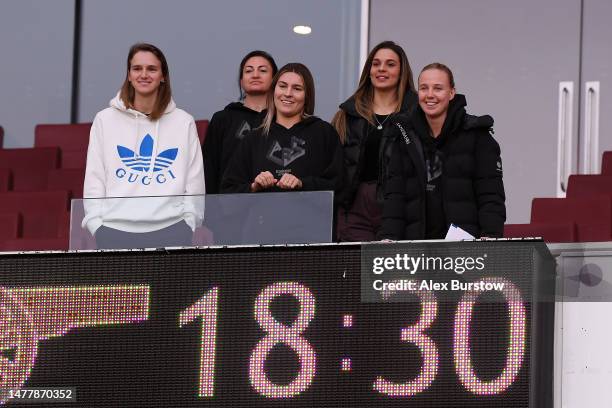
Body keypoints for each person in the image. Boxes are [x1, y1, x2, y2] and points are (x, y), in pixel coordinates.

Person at [82, 43, 205, 249]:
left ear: (163, 76)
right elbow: (95, 177)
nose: (144, 74)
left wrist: (189, 222)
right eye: (137, 68)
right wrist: (97, 224)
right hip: (114, 230)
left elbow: (194, 181)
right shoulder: (104, 119)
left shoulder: (184, 122)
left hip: (172, 229)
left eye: (152, 69)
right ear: (129, 75)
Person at [379, 63, 506, 240]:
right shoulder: (403, 135)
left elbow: (491, 196)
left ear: (451, 93)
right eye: (424, 88)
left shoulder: (478, 136)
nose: (430, 95)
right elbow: (395, 198)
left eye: (438, 88)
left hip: (464, 254)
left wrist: (491, 235)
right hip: (416, 252)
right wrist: (389, 237)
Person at [332, 40, 418, 242]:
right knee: (356, 269)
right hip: (355, 208)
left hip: (400, 207)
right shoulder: (347, 115)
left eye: (390, 64)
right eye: (376, 63)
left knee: (395, 272)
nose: (382, 69)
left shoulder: (416, 115)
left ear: (401, 71)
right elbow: (333, 167)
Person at [221, 62, 342, 195]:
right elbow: (228, 191)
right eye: (283, 86)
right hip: (262, 215)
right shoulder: (253, 139)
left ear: (307, 95)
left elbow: (340, 187)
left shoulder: (323, 133)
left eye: (297, 88)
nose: (288, 93)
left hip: (308, 215)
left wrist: (303, 184)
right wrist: (254, 187)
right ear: (273, 91)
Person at [203, 50, 278, 194]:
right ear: (241, 81)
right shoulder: (223, 119)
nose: (255, 75)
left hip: (273, 203)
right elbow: (209, 169)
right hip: (229, 205)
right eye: (249, 71)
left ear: (275, 79)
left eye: (263, 70)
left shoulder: (281, 120)